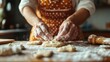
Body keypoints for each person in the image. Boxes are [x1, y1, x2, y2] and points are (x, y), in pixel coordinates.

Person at [19, 0, 95, 42]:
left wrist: (71, 20)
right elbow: (26, 5)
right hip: (40, 37)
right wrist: (36, 22)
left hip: (71, 36)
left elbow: (87, 5)